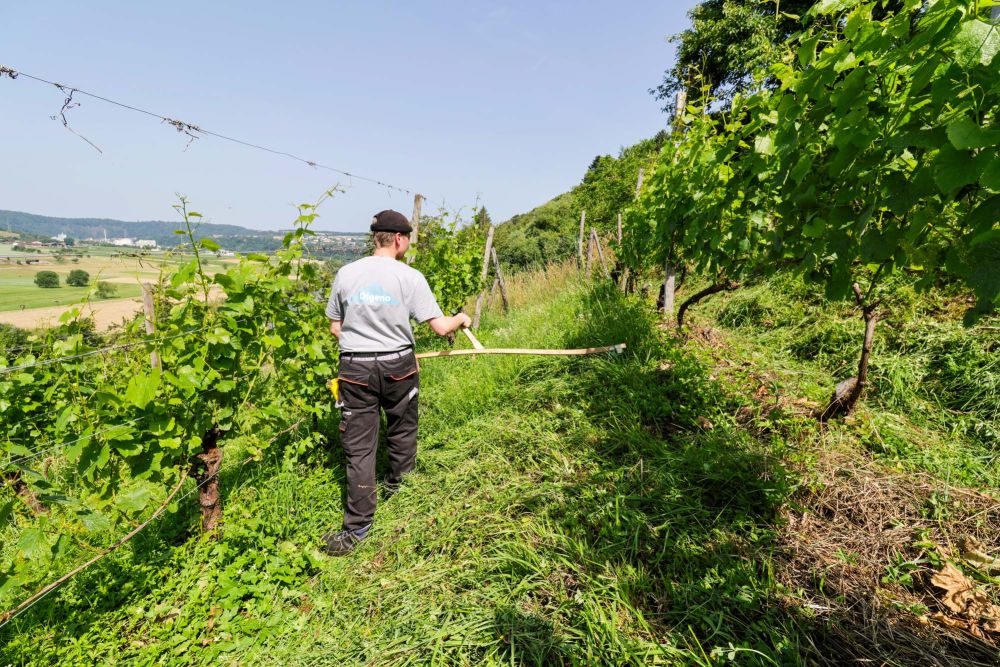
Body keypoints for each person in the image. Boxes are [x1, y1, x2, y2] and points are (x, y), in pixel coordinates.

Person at [322, 209, 471, 556]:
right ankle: (400, 489)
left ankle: (357, 530)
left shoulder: (346, 273)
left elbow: (335, 327)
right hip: (399, 365)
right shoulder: (410, 277)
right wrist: (460, 318)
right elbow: (440, 327)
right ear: (400, 239)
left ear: (377, 237)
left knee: (360, 447)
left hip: (355, 368)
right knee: (402, 428)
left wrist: (364, 339)